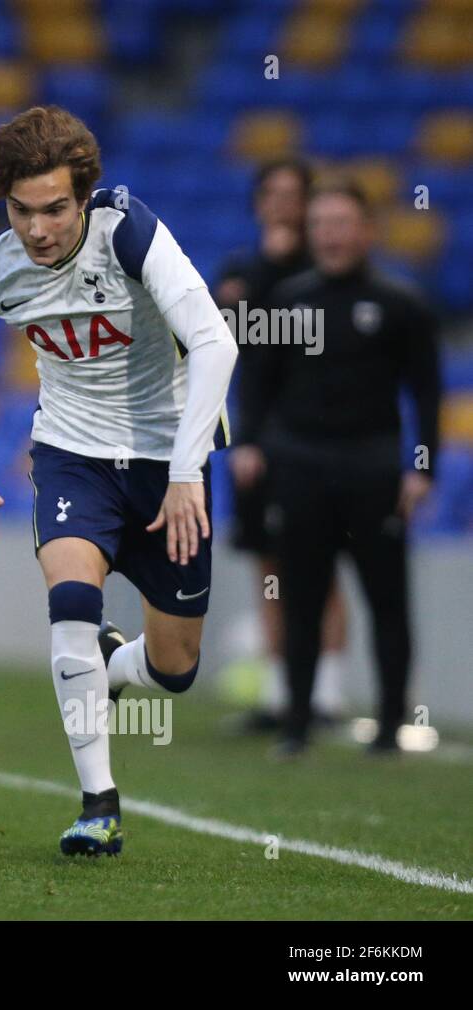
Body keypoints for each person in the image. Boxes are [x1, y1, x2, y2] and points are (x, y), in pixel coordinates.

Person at [0, 105, 237, 856]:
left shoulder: (131, 236)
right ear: (5, 204)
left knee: (176, 669)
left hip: (166, 460)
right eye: (23, 211)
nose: (40, 228)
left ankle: (115, 668)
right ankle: (98, 806)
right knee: (72, 603)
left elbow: (216, 342)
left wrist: (187, 472)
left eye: (56, 209)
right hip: (70, 455)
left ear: (84, 197)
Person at [249, 180, 441, 755]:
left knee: (387, 598)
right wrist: (253, 445)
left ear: (366, 230)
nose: (330, 234)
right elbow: (259, 384)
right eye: (321, 223)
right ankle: (297, 722)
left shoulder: (399, 304)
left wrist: (422, 467)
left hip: (373, 468)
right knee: (301, 597)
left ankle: (388, 724)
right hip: (303, 467)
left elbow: (426, 393)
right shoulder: (286, 300)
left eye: (341, 222)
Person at [215, 159, 349, 730]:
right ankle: (280, 695)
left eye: (292, 194)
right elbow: (233, 345)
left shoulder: (330, 272)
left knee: (323, 565)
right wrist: (245, 437)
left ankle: (329, 694)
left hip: (320, 438)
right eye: (270, 192)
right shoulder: (242, 272)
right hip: (260, 438)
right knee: (268, 563)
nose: (280, 203)